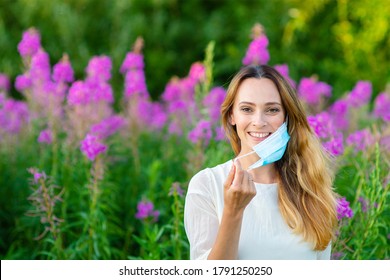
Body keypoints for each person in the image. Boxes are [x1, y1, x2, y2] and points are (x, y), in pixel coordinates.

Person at [184, 65, 338, 260]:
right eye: (247, 109)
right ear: (232, 115)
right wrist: (233, 211)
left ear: (286, 118)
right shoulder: (207, 185)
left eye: (272, 110)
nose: (259, 121)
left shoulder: (310, 188)